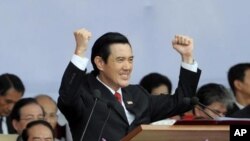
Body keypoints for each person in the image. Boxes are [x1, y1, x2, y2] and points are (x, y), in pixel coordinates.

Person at [57, 28, 201, 141]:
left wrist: (187, 56)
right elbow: (67, 98)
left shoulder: (138, 95)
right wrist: (80, 51)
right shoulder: (87, 95)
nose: (127, 67)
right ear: (100, 63)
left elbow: (184, 101)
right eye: (120, 60)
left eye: (130, 60)